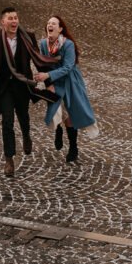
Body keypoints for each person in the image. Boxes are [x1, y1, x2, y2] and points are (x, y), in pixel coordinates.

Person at [0, 6, 52, 177]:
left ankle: (26, 135)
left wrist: (49, 82)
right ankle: (9, 159)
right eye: (10, 19)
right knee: (7, 121)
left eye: (16, 18)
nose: (14, 21)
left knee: (23, 116)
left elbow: (38, 61)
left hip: (22, 86)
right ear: (2, 22)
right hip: (4, 87)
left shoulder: (28, 37)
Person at [33, 15, 98, 164]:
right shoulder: (43, 44)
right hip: (54, 80)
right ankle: (58, 130)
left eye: (54, 23)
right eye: (48, 23)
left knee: (69, 111)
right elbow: (41, 63)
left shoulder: (68, 45)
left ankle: (73, 147)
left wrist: (48, 75)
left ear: (60, 28)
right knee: (56, 109)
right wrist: (47, 81)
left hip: (70, 80)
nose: (50, 25)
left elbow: (68, 67)